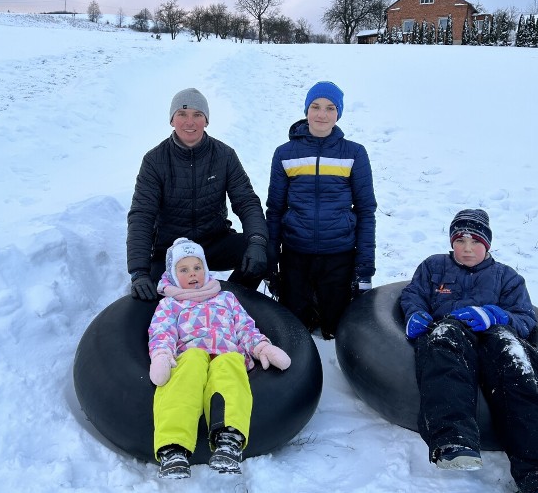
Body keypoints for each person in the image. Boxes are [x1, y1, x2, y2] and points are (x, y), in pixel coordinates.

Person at [399, 209, 538, 493]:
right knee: (443, 338)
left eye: (475, 242)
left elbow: (526, 318)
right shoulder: (434, 267)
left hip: (493, 337)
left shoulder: (507, 277)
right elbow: (412, 294)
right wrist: (415, 313)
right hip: (452, 331)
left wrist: (496, 316)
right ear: (451, 242)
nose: (467, 249)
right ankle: (455, 441)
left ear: (487, 244)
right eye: (460, 240)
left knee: (516, 361)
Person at [148, 237, 291, 479]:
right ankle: (173, 447)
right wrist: (161, 355)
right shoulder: (170, 305)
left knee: (230, 364)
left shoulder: (226, 298)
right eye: (184, 270)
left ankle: (228, 440)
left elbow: (245, 327)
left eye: (197, 267)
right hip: (189, 356)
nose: (193, 274)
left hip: (224, 353)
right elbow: (162, 332)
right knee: (187, 371)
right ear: (173, 274)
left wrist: (261, 347)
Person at [127, 88, 269, 299]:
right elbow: (142, 215)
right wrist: (138, 271)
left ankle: (229, 300)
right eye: (182, 114)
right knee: (151, 295)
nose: (189, 122)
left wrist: (257, 242)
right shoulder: (154, 161)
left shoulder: (224, 155)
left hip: (214, 243)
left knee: (268, 250)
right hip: (170, 252)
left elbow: (246, 201)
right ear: (172, 120)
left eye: (197, 115)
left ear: (206, 120)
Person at [265, 81, 377, 339]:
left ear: (339, 113)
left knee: (334, 328)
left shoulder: (354, 154)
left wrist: (364, 267)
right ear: (306, 110)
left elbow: (366, 211)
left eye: (330, 108)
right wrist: (271, 258)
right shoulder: (285, 154)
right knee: (295, 328)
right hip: (296, 253)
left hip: (339, 253)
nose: (322, 114)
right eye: (315, 106)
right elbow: (274, 209)